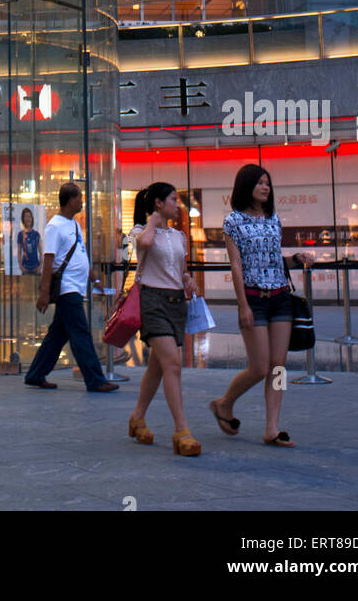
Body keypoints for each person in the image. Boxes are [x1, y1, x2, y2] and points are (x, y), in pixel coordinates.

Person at [210, 164, 314, 447]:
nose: (266, 187)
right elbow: (237, 265)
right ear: (246, 187)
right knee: (259, 367)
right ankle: (224, 403)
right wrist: (242, 304)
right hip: (253, 299)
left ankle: (272, 427)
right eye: (259, 183)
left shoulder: (274, 220)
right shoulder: (233, 222)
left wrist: (297, 257)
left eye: (268, 183)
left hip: (281, 296)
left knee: (278, 366)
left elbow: (273, 261)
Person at [127, 182, 200, 456]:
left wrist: (188, 279)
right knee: (173, 363)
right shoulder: (140, 231)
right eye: (172, 199)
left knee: (158, 367)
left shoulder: (179, 236)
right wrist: (153, 222)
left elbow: (180, 269)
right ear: (158, 203)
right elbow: (144, 244)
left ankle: (137, 416)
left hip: (176, 303)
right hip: (152, 302)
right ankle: (182, 429)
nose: (177, 204)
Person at [24, 182, 119, 393]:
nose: (82, 201)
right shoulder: (54, 226)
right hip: (67, 289)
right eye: (80, 198)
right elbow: (48, 261)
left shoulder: (74, 225)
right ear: (70, 200)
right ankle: (95, 379)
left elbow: (80, 255)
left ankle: (35, 374)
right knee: (81, 333)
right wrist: (44, 293)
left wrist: (94, 279)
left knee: (58, 335)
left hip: (77, 286)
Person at [17, 207, 41, 275]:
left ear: (32, 218)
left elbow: (41, 252)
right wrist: (21, 267)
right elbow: (19, 252)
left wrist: (40, 266)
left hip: (36, 268)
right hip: (25, 268)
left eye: (29, 217)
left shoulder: (36, 234)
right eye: (26, 217)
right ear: (23, 219)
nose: (28, 219)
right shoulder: (20, 234)